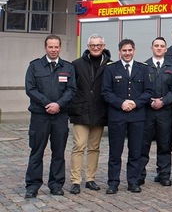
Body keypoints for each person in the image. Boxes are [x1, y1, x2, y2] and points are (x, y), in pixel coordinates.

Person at [24, 34, 76, 199]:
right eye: (50, 47)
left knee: (58, 152)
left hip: (60, 116)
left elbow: (72, 90)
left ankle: (56, 184)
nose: (53, 50)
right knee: (37, 151)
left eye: (56, 47)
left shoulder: (67, 67)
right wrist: (48, 104)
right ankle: (32, 186)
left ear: (60, 48)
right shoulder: (35, 66)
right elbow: (30, 89)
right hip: (40, 116)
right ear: (45, 48)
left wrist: (58, 105)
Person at [102, 39, 153, 194]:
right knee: (115, 152)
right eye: (124, 50)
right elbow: (105, 92)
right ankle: (113, 183)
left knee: (136, 151)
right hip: (117, 115)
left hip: (137, 116)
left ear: (134, 50)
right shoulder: (111, 69)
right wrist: (121, 103)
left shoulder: (143, 69)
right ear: (119, 52)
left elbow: (149, 92)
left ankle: (133, 181)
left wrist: (135, 103)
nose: (127, 53)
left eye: (130, 50)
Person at [68, 34, 110, 195]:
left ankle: (90, 179)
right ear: (88, 46)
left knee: (94, 148)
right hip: (81, 111)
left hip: (99, 112)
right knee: (79, 147)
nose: (95, 47)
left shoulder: (109, 65)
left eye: (98, 45)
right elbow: (72, 88)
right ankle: (75, 181)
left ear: (103, 46)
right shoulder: (76, 64)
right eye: (92, 45)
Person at [139, 37, 172, 187]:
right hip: (147, 111)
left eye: (161, 46)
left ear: (165, 49)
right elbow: (140, 89)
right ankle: (140, 175)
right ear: (151, 48)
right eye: (156, 45)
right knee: (144, 144)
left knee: (165, 144)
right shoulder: (144, 66)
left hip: (165, 111)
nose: (158, 48)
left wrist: (163, 101)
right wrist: (150, 101)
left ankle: (164, 175)